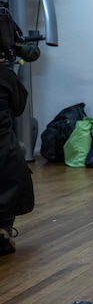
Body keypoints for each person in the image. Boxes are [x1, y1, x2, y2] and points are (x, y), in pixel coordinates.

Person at [0, 14, 37, 256]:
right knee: (16, 156)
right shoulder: (6, 77)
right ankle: (3, 228)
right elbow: (18, 108)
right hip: (3, 153)